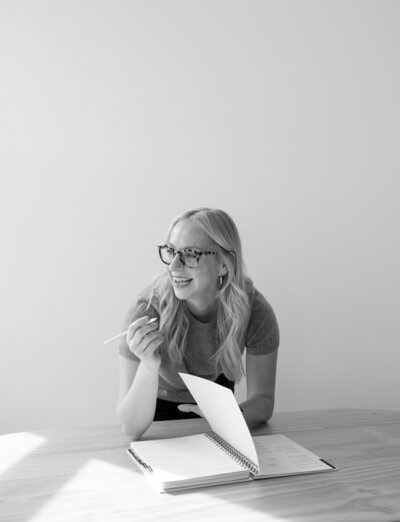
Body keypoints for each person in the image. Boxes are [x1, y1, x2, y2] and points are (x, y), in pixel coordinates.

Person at [117, 208, 279, 440]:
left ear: (224, 264)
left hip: (219, 409)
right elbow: (130, 428)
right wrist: (149, 365)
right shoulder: (146, 310)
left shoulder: (253, 310)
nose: (173, 266)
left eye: (190, 254)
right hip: (157, 411)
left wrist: (226, 418)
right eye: (171, 251)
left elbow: (263, 401)